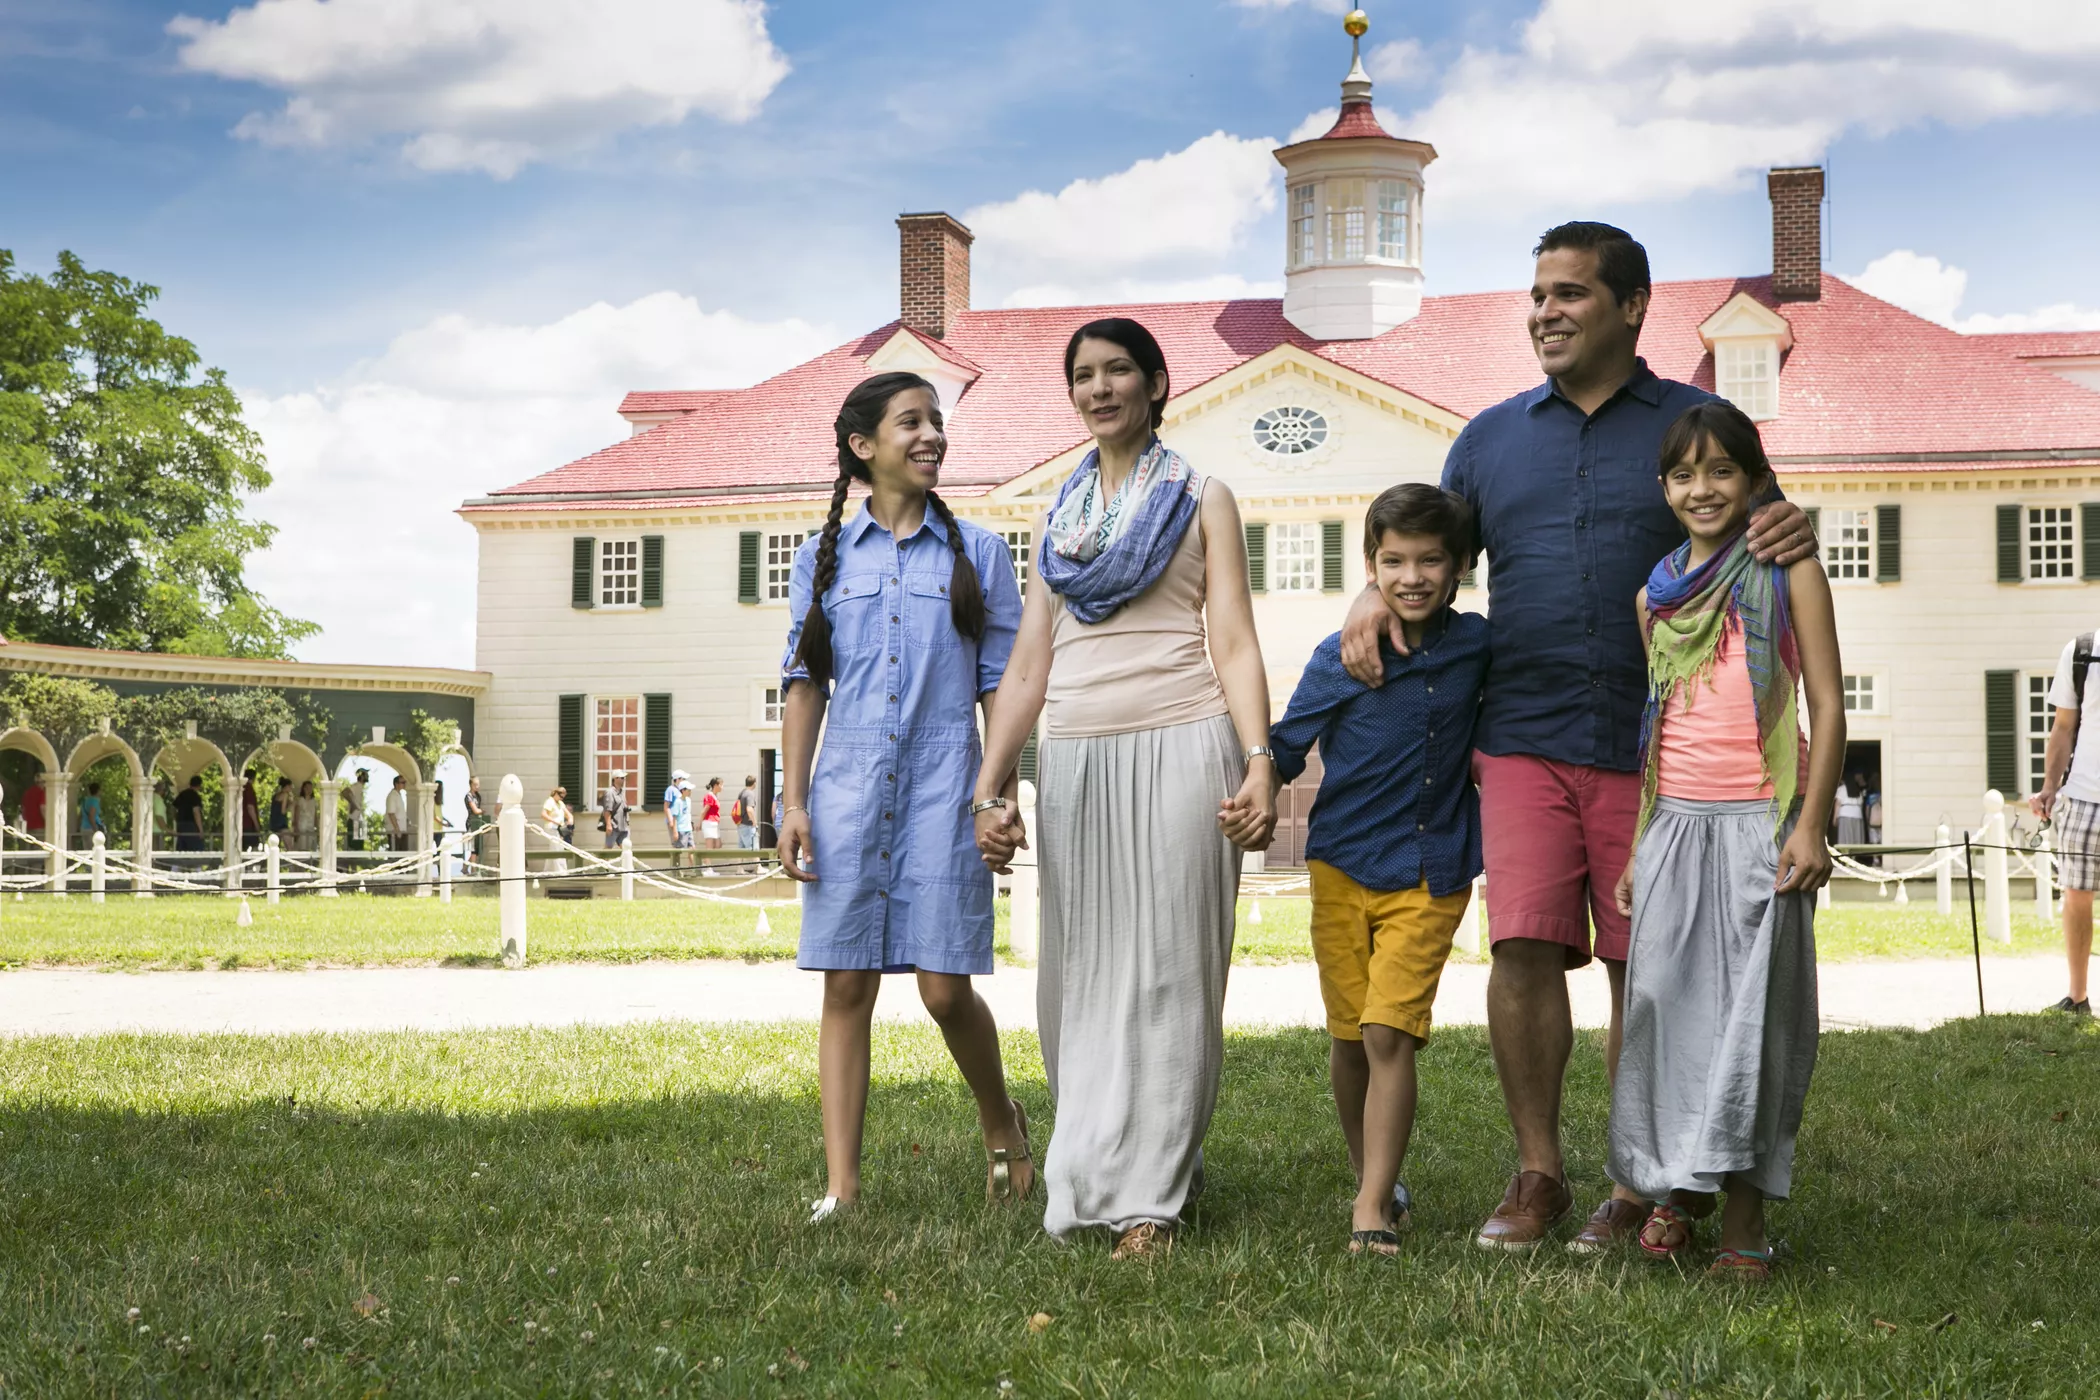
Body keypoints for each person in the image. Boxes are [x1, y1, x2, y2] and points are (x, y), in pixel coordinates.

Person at [1336, 221, 1819, 1253]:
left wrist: (1795, 525)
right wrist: (1365, 601)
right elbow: (1421, 548)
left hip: (1659, 757)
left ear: (1632, 305)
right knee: (1521, 947)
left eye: (1569, 294)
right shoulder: (1491, 436)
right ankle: (1538, 1170)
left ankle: (1639, 1178)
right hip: (1519, 732)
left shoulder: (1698, 424)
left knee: (1644, 964)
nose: (1544, 311)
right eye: (1537, 293)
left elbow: (1766, 538)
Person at [973, 319, 1275, 1260]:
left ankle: (1151, 1196)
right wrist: (993, 784)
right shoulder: (1056, 519)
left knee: (1171, 970)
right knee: (1082, 976)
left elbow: (1231, 637)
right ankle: (1094, 1161)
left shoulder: (1202, 497)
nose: (1099, 389)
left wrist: (1259, 758)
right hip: (1077, 758)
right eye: (1083, 376)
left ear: (1154, 384)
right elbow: (1029, 664)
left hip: (1187, 743)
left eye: (1116, 372)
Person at [778, 370, 1033, 1224]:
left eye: (937, 421)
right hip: (846, 789)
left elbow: (1000, 683)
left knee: (942, 990)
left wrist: (996, 792)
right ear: (862, 447)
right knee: (845, 986)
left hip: (945, 786)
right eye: (911, 422)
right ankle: (842, 1189)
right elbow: (805, 684)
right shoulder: (824, 562)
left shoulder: (981, 554)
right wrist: (794, 802)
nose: (932, 435)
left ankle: (1001, 1120)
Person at [1607, 400, 1842, 1282]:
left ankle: (1745, 1221)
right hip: (1675, 829)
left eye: (1720, 471)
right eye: (1683, 473)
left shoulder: (1788, 570)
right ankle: (1677, 1187)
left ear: (1752, 479)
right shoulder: (1653, 595)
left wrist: (1810, 823)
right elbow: (1656, 728)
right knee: (1664, 1015)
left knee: (1756, 1026)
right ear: (1665, 487)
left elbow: (1825, 704)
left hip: (1760, 825)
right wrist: (1639, 845)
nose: (1702, 489)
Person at [1268, 483, 1490, 1257]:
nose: (1413, 575)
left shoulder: (1477, 647)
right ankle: (1376, 1177)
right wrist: (1254, 791)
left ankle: (1368, 1211)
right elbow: (1286, 742)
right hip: (1340, 865)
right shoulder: (1343, 654)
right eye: (1393, 561)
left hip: (1431, 868)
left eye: (1431, 559)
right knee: (1349, 1036)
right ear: (1370, 565)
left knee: (1388, 1029)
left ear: (1460, 566)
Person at [2030, 632, 2100, 1016]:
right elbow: (2063, 727)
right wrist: (2048, 788)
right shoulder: (2082, 652)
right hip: (2084, 798)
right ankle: (2077, 997)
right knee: (2076, 897)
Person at [668, 778, 695, 873]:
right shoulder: (677, 802)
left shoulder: (689, 801)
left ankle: (692, 868)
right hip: (680, 829)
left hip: (688, 828)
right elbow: (674, 817)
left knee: (692, 849)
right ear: (683, 790)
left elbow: (688, 814)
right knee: (678, 850)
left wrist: (691, 824)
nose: (690, 792)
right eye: (688, 790)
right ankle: (675, 870)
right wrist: (675, 831)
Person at [173, 776, 206, 852]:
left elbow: (173, 807)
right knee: (196, 849)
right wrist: (201, 830)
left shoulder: (182, 794)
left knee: (182, 848)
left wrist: (176, 817)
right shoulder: (195, 796)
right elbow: (196, 812)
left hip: (180, 824)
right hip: (191, 825)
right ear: (199, 786)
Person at [598, 771, 629, 849]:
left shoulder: (621, 792)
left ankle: (627, 861)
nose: (624, 780)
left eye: (624, 778)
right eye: (622, 778)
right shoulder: (610, 792)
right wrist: (608, 825)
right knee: (608, 849)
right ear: (615, 779)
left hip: (623, 827)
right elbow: (607, 810)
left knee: (626, 848)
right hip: (613, 826)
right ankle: (601, 861)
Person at [1834, 774, 1867, 847]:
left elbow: (1838, 804)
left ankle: (1846, 855)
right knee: (1856, 837)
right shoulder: (1858, 790)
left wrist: (1835, 818)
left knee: (1846, 838)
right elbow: (1861, 804)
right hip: (1858, 815)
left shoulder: (1842, 789)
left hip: (1845, 814)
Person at [463, 775, 489, 863]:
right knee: (473, 848)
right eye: (475, 785)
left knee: (477, 848)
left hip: (478, 822)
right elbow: (475, 810)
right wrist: (481, 811)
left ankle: (465, 867)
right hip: (471, 822)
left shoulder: (478, 796)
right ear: (471, 785)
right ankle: (473, 870)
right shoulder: (468, 796)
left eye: (478, 784)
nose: (477, 786)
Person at [384, 775, 410, 852]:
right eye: (403, 782)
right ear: (396, 784)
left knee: (403, 853)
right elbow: (391, 813)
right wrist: (397, 829)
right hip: (395, 832)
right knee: (395, 853)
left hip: (402, 830)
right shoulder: (392, 796)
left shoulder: (398, 795)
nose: (404, 784)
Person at [734, 775, 760, 851]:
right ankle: (757, 863)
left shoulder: (742, 793)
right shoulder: (750, 794)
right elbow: (749, 809)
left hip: (741, 824)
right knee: (753, 849)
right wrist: (754, 822)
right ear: (754, 783)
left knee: (741, 849)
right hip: (748, 826)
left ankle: (738, 863)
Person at [239, 770, 263, 851]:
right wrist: (257, 825)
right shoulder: (249, 788)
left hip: (240, 823)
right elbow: (250, 808)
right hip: (249, 824)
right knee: (254, 848)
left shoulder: (240, 788)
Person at [292, 780, 318, 851]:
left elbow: (315, 815)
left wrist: (317, 826)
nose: (309, 790)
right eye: (307, 788)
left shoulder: (314, 801)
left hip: (311, 826)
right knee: (302, 846)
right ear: (303, 789)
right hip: (302, 826)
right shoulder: (300, 800)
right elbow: (296, 814)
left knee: (310, 846)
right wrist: (296, 827)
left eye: (310, 788)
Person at [21, 775, 46, 841]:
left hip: (28, 827)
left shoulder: (27, 792)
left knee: (30, 849)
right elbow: (43, 809)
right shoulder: (42, 792)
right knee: (40, 849)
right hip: (40, 827)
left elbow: (23, 809)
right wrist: (48, 823)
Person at [701, 778, 724, 849]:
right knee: (709, 846)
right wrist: (699, 823)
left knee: (718, 844)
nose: (722, 787)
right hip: (709, 822)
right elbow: (704, 811)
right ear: (716, 785)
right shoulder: (710, 796)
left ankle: (707, 859)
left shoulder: (715, 796)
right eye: (721, 785)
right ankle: (707, 860)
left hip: (714, 823)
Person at [268, 781, 292, 846]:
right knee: (289, 847)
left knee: (276, 845)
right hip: (282, 823)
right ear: (286, 786)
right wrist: (290, 805)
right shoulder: (285, 795)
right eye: (290, 786)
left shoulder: (275, 795)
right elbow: (283, 811)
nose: (291, 789)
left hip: (274, 823)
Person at [152, 777, 172, 851]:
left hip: (147, 833)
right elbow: (159, 817)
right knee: (157, 858)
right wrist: (168, 830)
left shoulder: (149, 798)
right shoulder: (158, 800)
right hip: (157, 834)